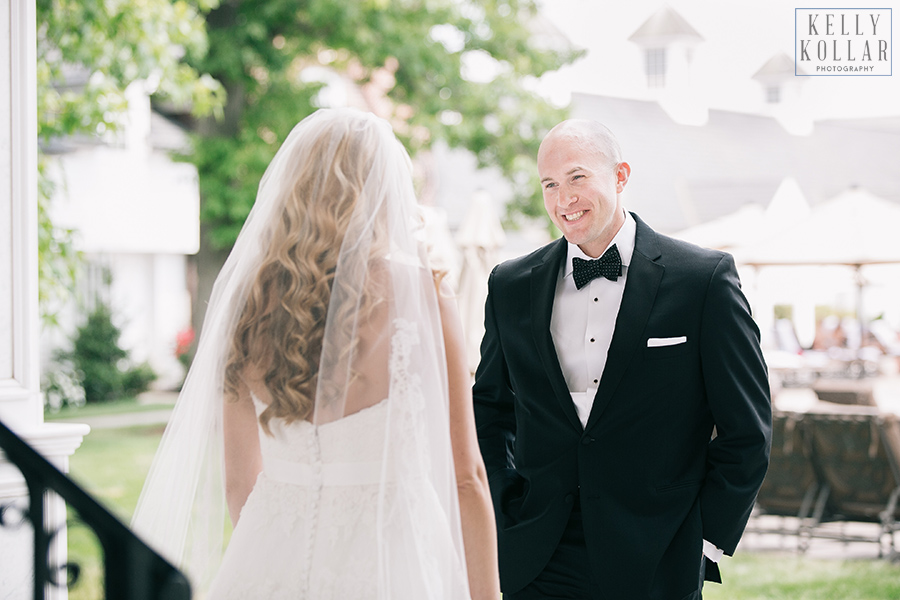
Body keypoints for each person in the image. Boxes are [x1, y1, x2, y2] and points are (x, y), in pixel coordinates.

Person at [132, 108, 500, 600]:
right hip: (392, 563)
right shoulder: (425, 298)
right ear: (381, 191)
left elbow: (241, 484)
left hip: (272, 561)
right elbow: (467, 477)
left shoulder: (249, 308)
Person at [472, 119, 771, 600]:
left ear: (621, 175)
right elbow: (489, 409)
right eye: (549, 184)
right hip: (537, 554)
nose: (562, 198)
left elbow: (747, 429)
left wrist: (706, 542)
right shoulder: (510, 285)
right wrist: (506, 509)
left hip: (658, 553)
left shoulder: (703, 280)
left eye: (577, 177)